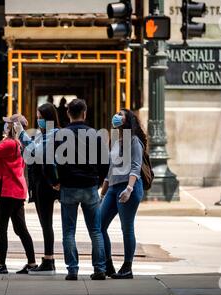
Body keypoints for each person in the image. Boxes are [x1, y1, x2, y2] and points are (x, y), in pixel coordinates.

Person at [55, 98, 109, 281]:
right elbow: (105, 162)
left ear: (68, 113)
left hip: (68, 186)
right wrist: (99, 181)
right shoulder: (95, 134)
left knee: (68, 231)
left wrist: (56, 181)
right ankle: (100, 268)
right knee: (95, 230)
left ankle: (72, 270)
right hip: (89, 186)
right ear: (84, 113)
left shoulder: (61, 135)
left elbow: (53, 162)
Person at [0, 114, 37, 274]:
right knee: (20, 229)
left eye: (8, 124)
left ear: (13, 127)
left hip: (8, 191)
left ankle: (1, 264)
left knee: (1, 228)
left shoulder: (10, 144)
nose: (5, 126)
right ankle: (32, 263)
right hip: (18, 191)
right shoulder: (19, 143)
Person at [99, 109, 146, 279]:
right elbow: (110, 170)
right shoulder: (115, 141)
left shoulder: (134, 140)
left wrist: (129, 189)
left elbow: (135, 166)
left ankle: (127, 268)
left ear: (128, 120)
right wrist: (103, 194)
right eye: (116, 113)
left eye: (120, 114)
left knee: (126, 228)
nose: (116, 116)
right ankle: (108, 265)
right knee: (100, 225)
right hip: (112, 188)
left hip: (128, 188)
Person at [15, 103, 60, 275]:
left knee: (46, 223)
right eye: (38, 117)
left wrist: (21, 132)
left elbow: (37, 153)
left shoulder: (52, 134)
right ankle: (48, 259)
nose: (38, 120)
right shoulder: (45, 134)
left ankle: (49, 260)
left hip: (46, 184)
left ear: (49, 118)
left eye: (41, 118)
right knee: (44, 223)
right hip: (40, 182)